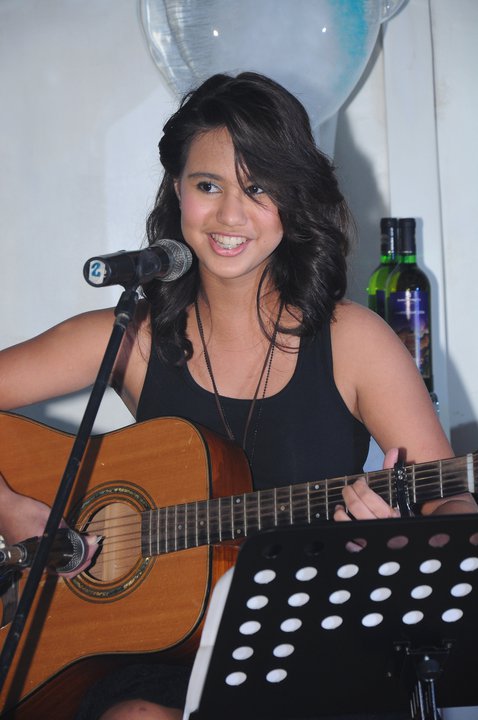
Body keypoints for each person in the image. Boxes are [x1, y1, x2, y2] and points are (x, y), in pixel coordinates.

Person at [0, 72, 475, 720]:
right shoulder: (133, 336)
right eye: (208, 185)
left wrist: (403, 547)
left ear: (294, 199)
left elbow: (453, 501)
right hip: (161, 655)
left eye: (258, 188)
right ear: (177, 189)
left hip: (310, 642)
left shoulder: (353, 339)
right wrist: (9, 509)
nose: (230, 214)